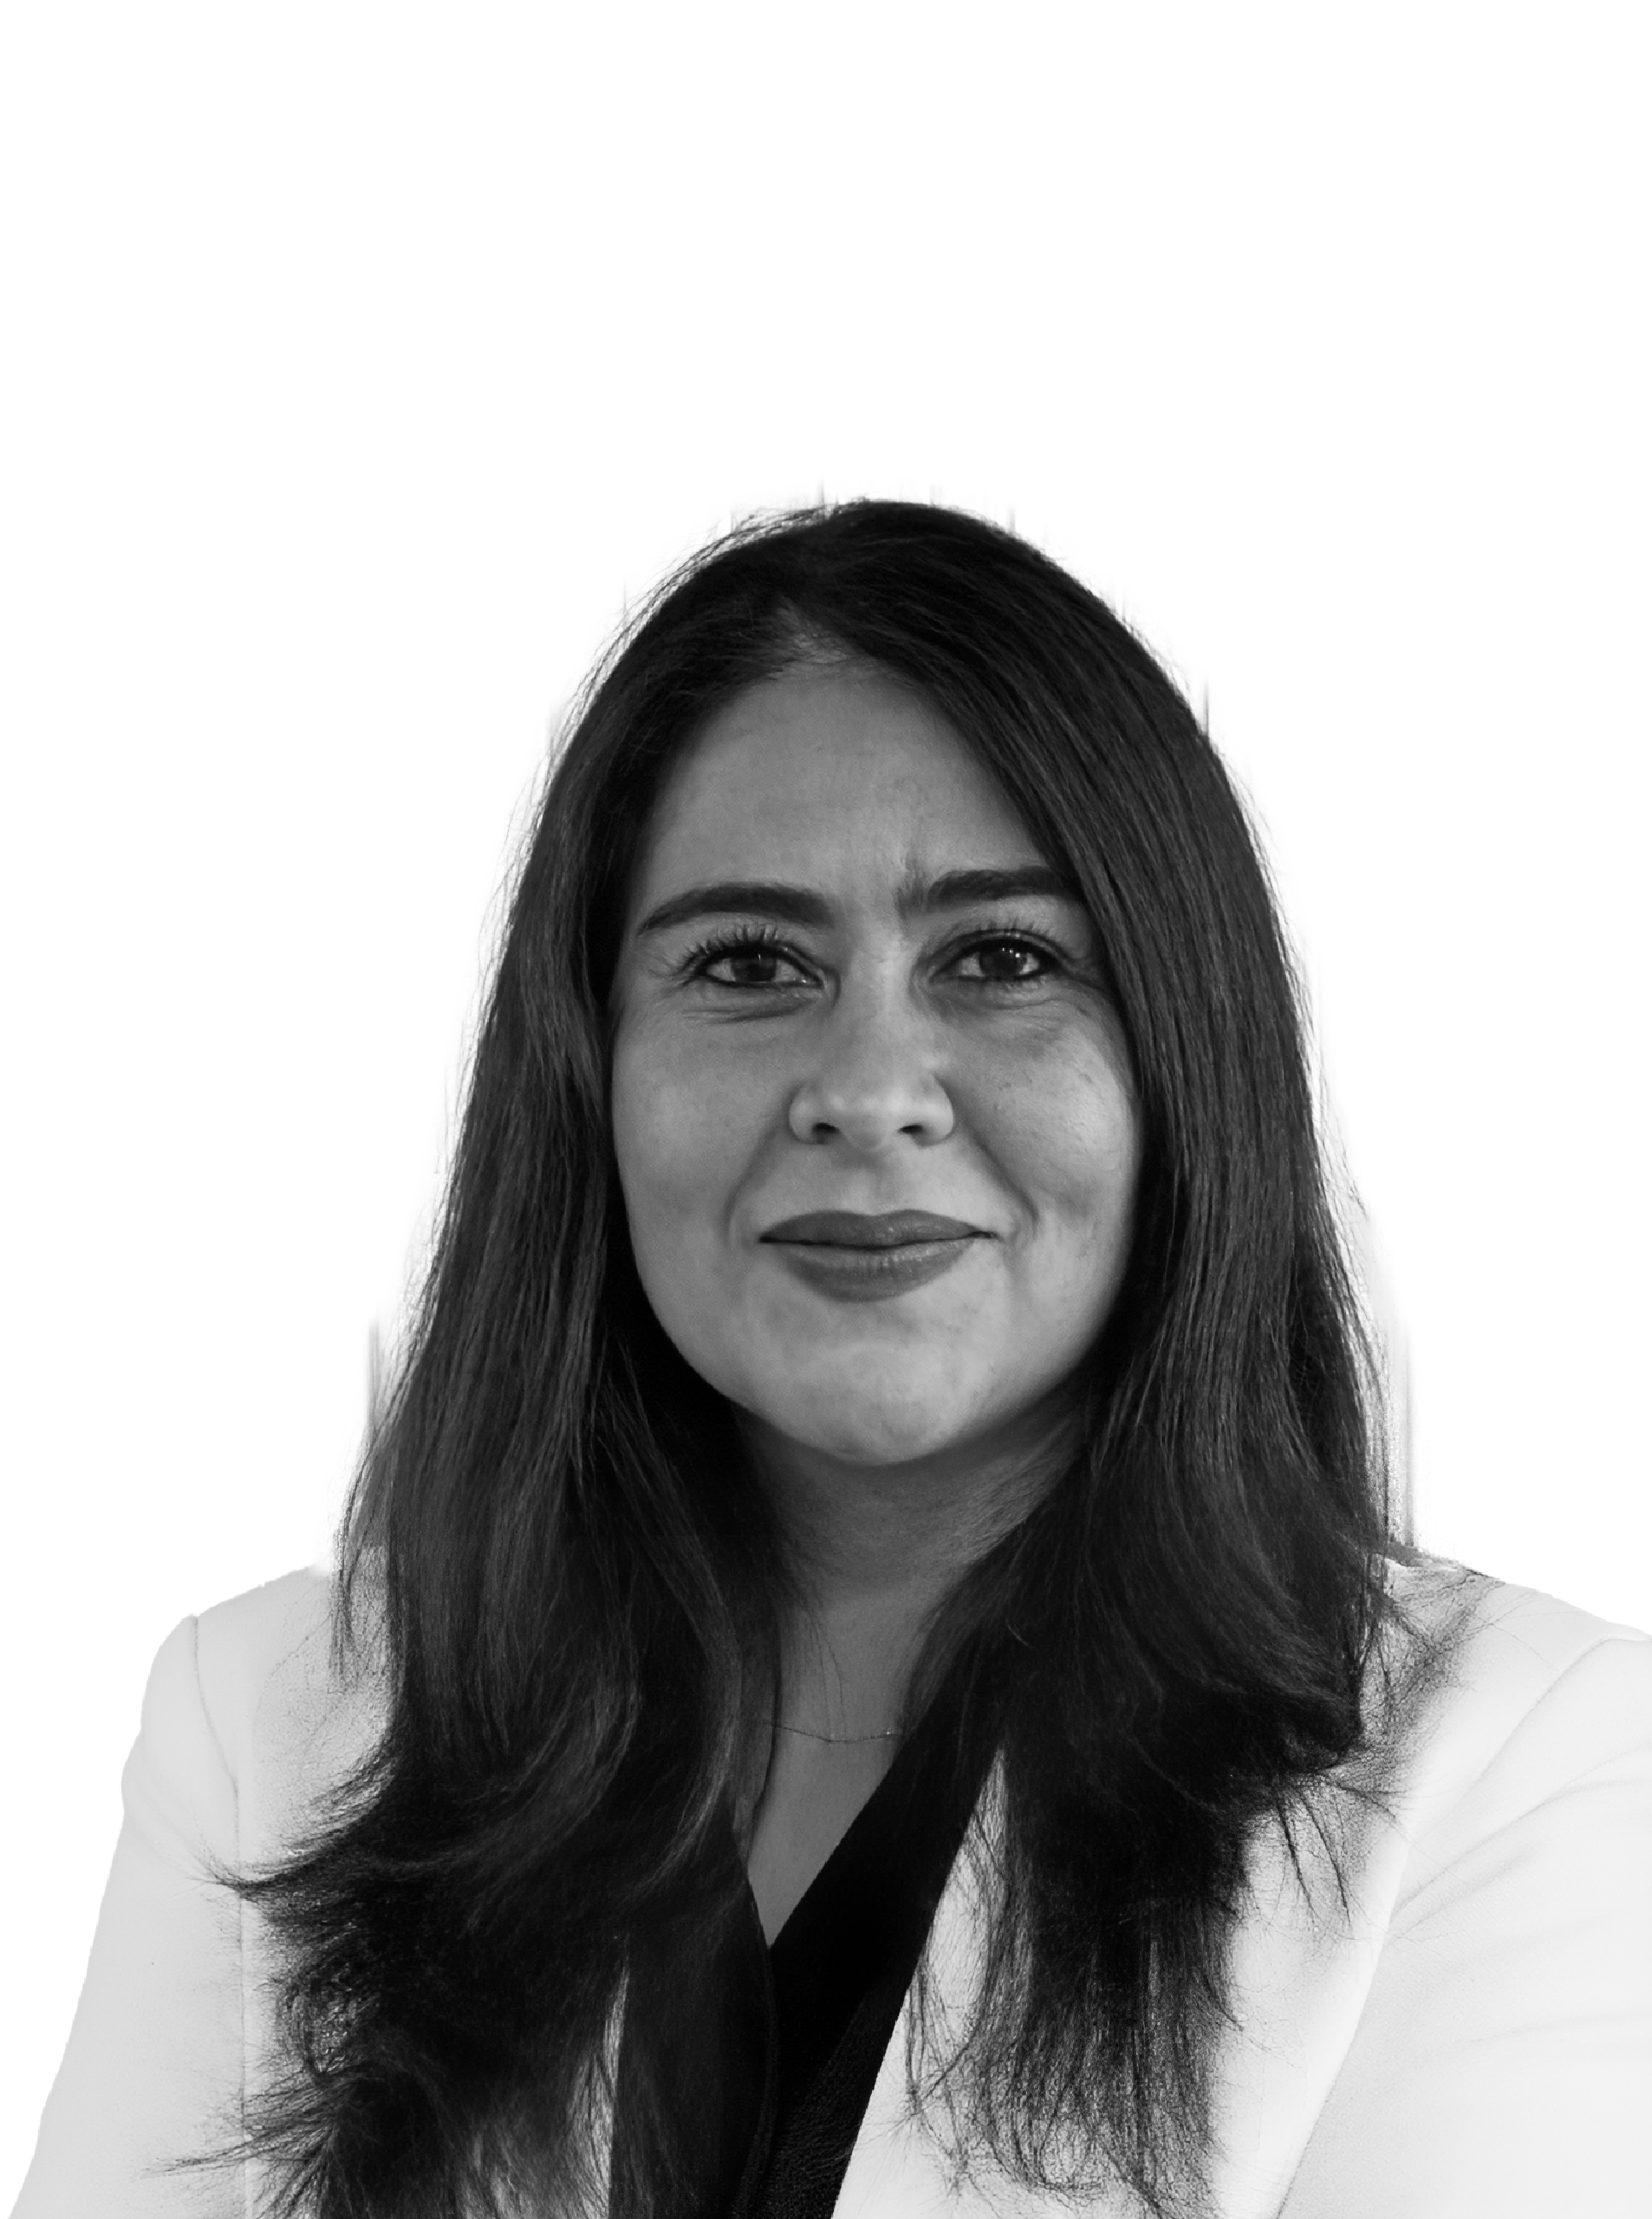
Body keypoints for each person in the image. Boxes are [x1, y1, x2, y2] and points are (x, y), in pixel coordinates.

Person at [15, 501, 1651, 2219]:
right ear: (587, 1071)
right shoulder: (266, 1721)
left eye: (1003, 959)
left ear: (1187, 1061)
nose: (867, 1090)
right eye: (747, 963)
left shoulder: (1524, 1762)